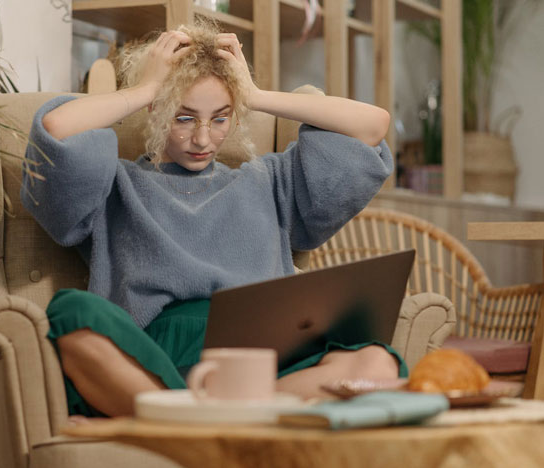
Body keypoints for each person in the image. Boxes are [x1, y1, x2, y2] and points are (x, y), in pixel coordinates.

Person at [21, 22, 404, 418]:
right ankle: (223, 422)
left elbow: (373, 126)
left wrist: (253, 94)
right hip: (156, 357)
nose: (203, 139)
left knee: (376, 362)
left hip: (264, 356)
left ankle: (201, 423)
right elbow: (55, 129)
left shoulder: (271, 180)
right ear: (157, 110)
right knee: (71, 313)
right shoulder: (117, 184)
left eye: (220, 118)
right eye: (184, 118)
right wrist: (146, 90)